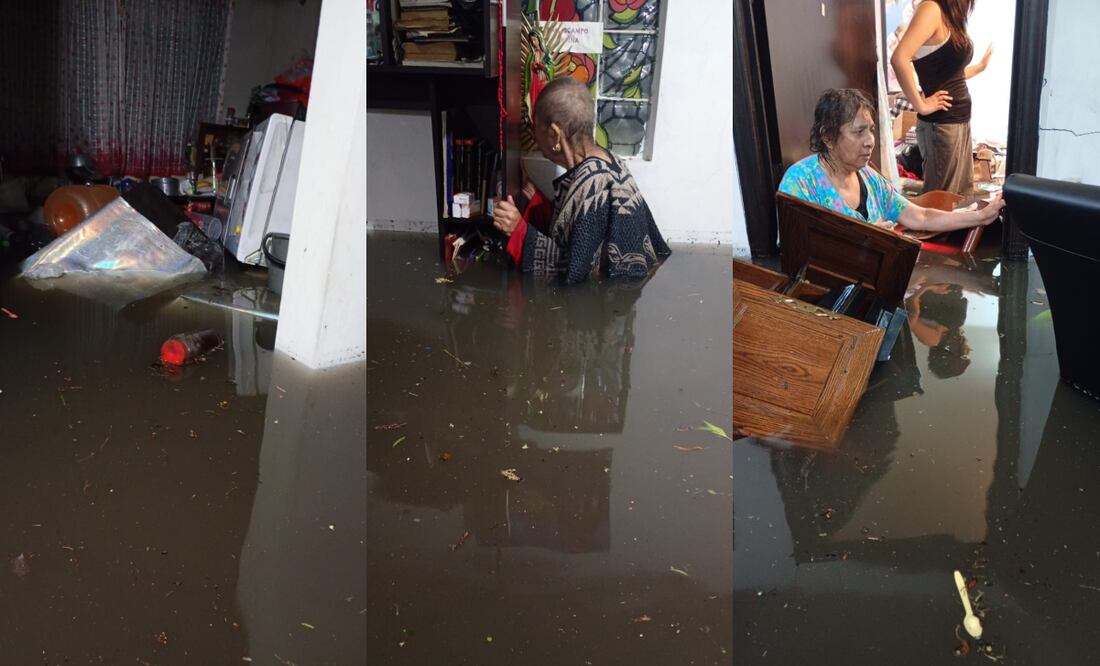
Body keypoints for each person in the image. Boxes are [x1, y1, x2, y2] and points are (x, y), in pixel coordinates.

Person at [492, 77, 670, 285]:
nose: (534, 136)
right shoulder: (610, 163)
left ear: (555, 134)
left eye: (536, 128)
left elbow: (575, 272)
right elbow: (579, 234)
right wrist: (535, 199)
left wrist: (518, 232)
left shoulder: (592, 184)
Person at [778, 88, 1003, 234]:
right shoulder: (801, 183)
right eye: (858, 132)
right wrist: (860, 238)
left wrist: (980, 217)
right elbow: (795, 251)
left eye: (871, 130)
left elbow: (921, 217)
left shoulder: (871, 180)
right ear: (828, 136)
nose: (870, 142)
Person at [890, 0, 993, 195]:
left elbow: (952, 74)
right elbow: (899, 58)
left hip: (959, 120)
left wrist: (980, 67)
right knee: (941, 199)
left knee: (961, 195)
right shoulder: (931, 9)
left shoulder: (951, 16)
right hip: (941, 125)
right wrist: (920, 105)